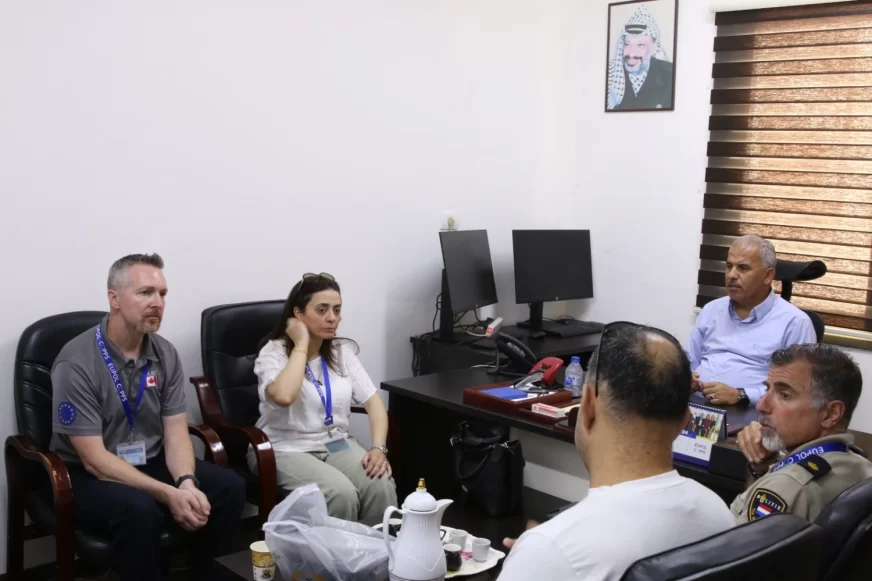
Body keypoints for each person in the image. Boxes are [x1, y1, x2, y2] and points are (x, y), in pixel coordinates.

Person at [50, 254, 246, 581]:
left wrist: (185, 482)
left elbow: (176, 433)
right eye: (145, 293)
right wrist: (167, 493)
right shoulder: (77, 362)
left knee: (229, 487)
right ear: (114, 298)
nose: (157, 302)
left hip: (149, 458)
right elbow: (95, 460)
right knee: (139, 508)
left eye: (162, 294)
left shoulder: (164, 352)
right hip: (86, 473)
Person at [498, 324, 736, 581]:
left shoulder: (550, 551)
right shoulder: (719, 514)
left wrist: (536, 559)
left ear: (587, 405)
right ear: (685, 421)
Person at [249, 272, 397, 520]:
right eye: (322, 310)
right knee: (340, 494)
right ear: (298, 314)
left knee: (379, 482)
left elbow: (374, 402)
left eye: (337, 310)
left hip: (335, 443)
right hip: (285, 448)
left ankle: (378, 545)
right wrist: (301, 344)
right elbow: (284, 396)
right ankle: (334, 548)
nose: (332, 318)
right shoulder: (274, 352)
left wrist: (379, 449)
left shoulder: (341, 351)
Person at [731, 343, 872, 523]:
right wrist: (761, 466)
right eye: (767, 389)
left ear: (830, 414)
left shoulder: (787, 486)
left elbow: (736, 540)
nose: (761, 405)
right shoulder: (861, 465)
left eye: (784, 395)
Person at [689, 235, 816, 407]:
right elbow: (691, 360)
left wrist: (741, 395)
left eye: (743, 268)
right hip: (695, 407)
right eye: (729, 266)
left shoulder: (795, 323)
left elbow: (797, 388)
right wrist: (686, 378)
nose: (731, 275)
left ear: (768, 276)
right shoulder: (712, 309)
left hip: (750, 414)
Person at [607, 5, 674, 110]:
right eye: (627, 44)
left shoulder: (670, 75)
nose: (631, 53)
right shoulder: (611, 75)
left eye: (640, 45)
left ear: (654, 46)